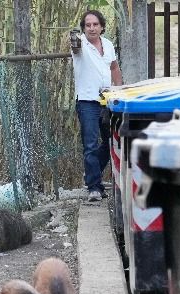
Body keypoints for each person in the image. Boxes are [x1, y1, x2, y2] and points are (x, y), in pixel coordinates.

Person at [70, 9, 123, 202]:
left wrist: (120, 90)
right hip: (87, 102)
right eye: (88, 25)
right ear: (84, 28)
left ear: (101, 27)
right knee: (90, 144)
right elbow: (75, 47)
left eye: (95, 24)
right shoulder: (80, 44)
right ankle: (94, 187)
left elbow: (114, 67)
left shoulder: (108, 45)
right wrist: (74, 38)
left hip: (108, 100)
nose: (92, 28)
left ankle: (92, 175)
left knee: (111, 141)